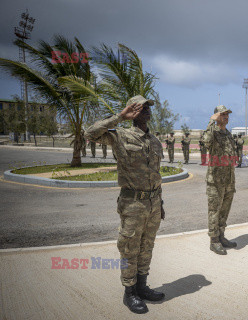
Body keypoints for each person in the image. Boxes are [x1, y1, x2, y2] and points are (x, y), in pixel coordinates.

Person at [85, 95, 166, 314]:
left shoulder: (155, 141)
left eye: (148, 108)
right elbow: (90, 134)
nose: (147, 111)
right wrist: (119, 117)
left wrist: (161, 203)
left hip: (153, 203)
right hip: (132, 204)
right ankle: (129, 293)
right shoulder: (120, 135)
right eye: (141, 108)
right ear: (132, 111)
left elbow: (155, 174)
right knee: (129, 249)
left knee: (147, 248)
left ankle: (142, 286)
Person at [204, 105, 237, 255]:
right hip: (215, 181)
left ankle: (221, 236)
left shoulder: (228, 134)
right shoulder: (213, 132)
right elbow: (205, 141)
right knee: (214, 211)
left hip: (229, 180)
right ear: (217, 116)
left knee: (224, 210)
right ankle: (214, 241)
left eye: (227, 115)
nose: (226, 117)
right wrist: (211, 122)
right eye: (223, 115)